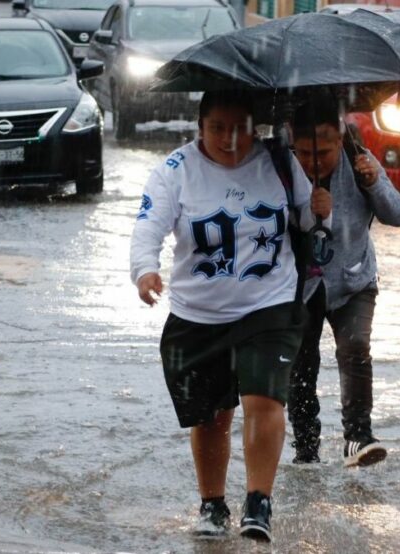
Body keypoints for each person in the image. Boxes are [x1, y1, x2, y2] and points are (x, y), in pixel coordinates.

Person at [130, 89, 332, 542]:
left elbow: (307, 222)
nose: (228, 138)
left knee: (264, 399)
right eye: (216, 128)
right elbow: (148, 226)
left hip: (269, 304)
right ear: (199, 127)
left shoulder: (278, 161)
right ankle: (213, 504)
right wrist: (145, 271)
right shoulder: (174, 172)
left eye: (238, 128)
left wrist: (320, 209)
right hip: (197, 314)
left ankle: (259, 501)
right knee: (211, 416)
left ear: (254, 126)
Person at [288, 95, 400, 468]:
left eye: (323, 152)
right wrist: (305, 211)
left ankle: (358, 437)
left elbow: (398, 215)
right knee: (300, 364)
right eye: (304, 152)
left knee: (355, 348)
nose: (313, 162)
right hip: (299, 284)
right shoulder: (280, 167)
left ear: (339, 140)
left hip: (354, 277)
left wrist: (374, 182)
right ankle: (306, 449)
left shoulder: (359, 161)